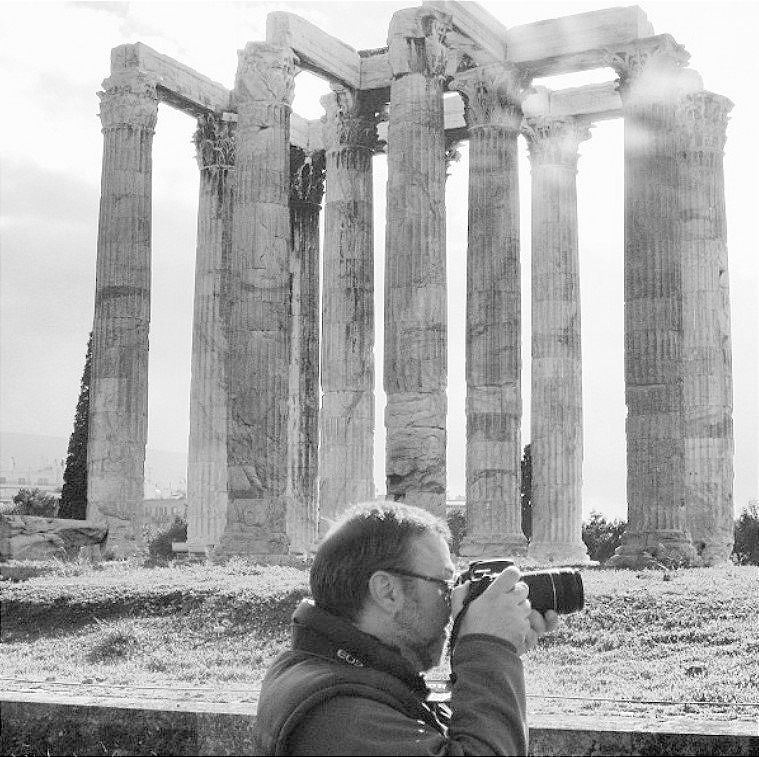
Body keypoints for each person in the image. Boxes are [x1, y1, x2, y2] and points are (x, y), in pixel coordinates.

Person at [254, 501, 559, 755]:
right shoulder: (339, 716)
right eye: (444, 583)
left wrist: (489, 655)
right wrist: (489, 650)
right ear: (387, 591)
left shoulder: (330, 669)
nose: (451, 600)